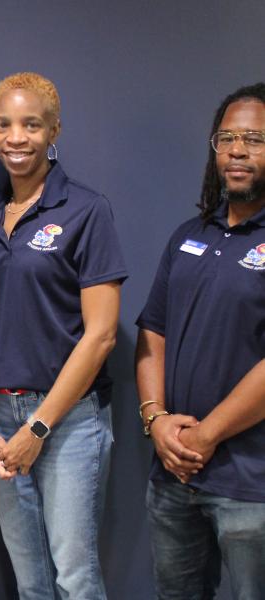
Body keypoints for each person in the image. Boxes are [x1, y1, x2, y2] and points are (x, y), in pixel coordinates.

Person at [0, 72, 126, 599]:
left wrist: (38, 428)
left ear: (53, 130)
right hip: (0, 418)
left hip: (69, 423)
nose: (16, 137)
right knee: (30, 581)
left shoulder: (86, 210)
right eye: (5, 125)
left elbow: (102, 336)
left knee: (75, 579)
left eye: (31, 125)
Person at [135, 82, 265, 600]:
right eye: (226, 137)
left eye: (254, 139)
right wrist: (155, 419)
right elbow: (152, 331)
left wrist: (206, 435)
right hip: (174, 475)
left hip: (250, 485)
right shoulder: (189, 234)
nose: (236, 150)